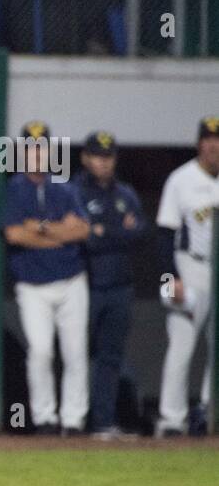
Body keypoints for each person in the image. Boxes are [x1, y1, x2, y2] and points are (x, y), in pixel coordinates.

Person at [2, 121, 91, 435]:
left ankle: (74, 420)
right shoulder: (14, 188)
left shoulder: (64, 185)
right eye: (30, 147)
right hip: (32, 284)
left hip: (71, 281)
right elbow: (13, 234)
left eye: (41, 147)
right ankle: (45, 419)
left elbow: (82, 229)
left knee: (75, 352)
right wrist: (58, 232)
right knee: (40, 352)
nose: (36, 153)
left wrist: (39, 228)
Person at [74, 131, 145, 439]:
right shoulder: (74, 191)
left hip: (120, 286)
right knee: (75, 354)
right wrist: (116, 233)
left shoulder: (126, 193)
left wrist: (105, 232)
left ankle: (103, 422)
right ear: (85, 158)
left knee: (110, 357)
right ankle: (70, 421)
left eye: (108, 156)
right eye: (98, 156)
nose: (103, 162)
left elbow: (141, 233)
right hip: (85, 284)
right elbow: (83, 239)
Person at [155, 117, 219, 437]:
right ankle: (172, 419)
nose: (214, 145)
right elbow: (164, 235)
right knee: (181, 344)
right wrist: (170, 281)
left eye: (218, 139)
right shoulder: (180, 179)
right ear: (199, 144)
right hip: (189, 268)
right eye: (208, 139)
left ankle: (209, 411)